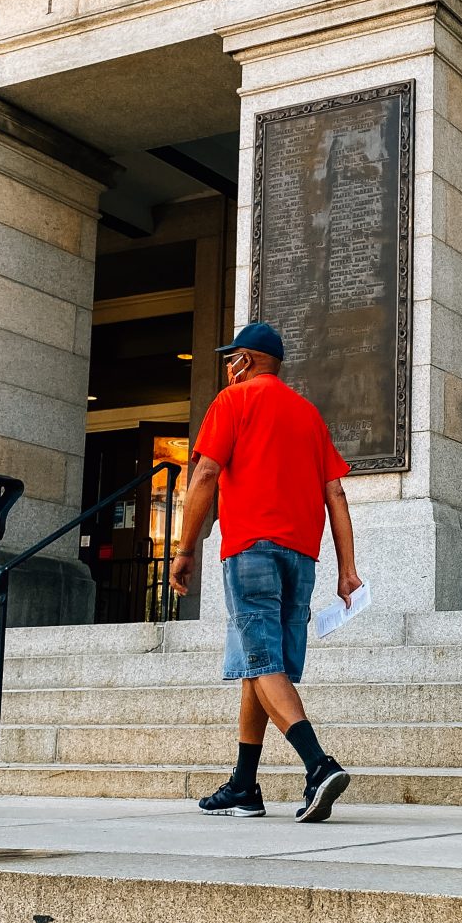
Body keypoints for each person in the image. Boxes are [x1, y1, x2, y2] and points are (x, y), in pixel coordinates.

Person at [168, 321, 361, 823]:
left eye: (232, 358)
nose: (228, 366)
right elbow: (335, 493)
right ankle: (243, 785)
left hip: (251, 548)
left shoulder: (232, 402)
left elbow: (206, 473)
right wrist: (347, 569)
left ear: (247, 361)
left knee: (260, 660)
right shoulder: (309, 415)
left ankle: (318, 764)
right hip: (302, 555)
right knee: (262, 663)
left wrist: (185, 547)